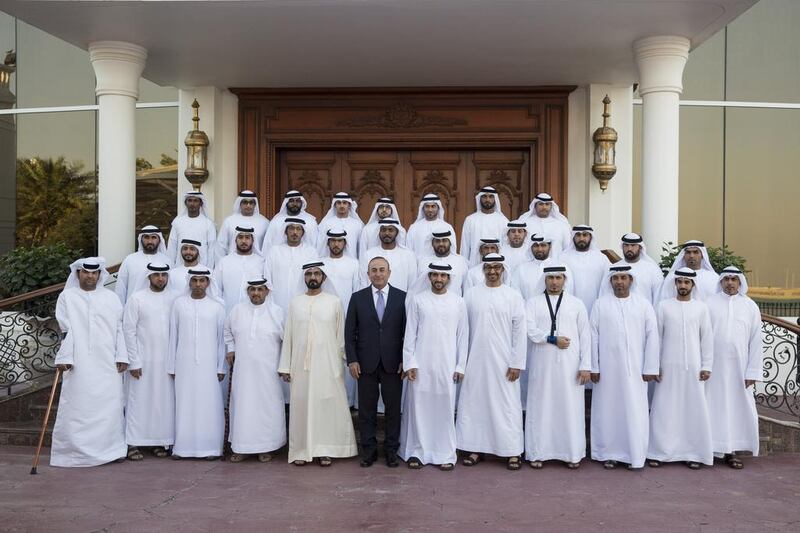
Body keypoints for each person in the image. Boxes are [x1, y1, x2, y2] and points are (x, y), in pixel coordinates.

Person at [279, 262, 358, 466]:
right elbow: (289, 335)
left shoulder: (334, 302)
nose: (313, 276)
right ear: (304, 278)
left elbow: (341, 336)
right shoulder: (295, 303)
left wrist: (341, 363)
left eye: (317, 273)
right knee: (302, 406)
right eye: (309, 274)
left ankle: (325, 449)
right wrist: (285, 366)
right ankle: (302, 450)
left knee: (327, 406)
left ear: (324, 277)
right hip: (300, 366)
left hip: (328, 364)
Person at [51, 258, 128, 467]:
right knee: (77, 404)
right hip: (79, 360)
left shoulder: (111, 298)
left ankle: (111, 450)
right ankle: (73, 453)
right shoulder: (67, 297)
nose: (90, 276)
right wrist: (65, 358)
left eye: (94, 273)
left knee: (109, 405)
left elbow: (119, 328)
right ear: (78, 274)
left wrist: (122, 355)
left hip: (107, 361)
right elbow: (66, 330)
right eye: (86, 272)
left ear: (100, 275)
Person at [457, 253, 526, 470]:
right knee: (475, 404)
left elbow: (519, 332)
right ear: (483, 269)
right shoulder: (470, 295)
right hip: (475, 360)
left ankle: (512, 451)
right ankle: (475, 448)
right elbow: (461, 330)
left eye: (497, 267)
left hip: (505, 363)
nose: (493, 271)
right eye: (489, 267)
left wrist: (517, 362)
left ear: (503, 269)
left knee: (507, 405)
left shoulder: (513, 296)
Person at [589, 265, 660, 470]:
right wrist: (594, 366)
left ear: (631, 281)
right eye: (616, 278)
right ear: (610, 281)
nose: (619, 281)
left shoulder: (643, 305)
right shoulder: (600, 305)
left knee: (634, 411)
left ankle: (634, 454)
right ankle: (608, 453)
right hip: (607, 372)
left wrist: (650, 367)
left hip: (636, 371)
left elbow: (652, 337)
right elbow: (593, 338)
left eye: (623, 278)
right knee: (608, 411)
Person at [400, 262, 469, 471]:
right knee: (419, 408)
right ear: (429, 277)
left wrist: (460, 366)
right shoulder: (418, 300)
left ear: (448, 278)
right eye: (435, 275)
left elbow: (463, 337)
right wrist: (410, 362)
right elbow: (410, 334)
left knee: (444, 409)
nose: (439, 279)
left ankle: (445, 453)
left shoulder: (458, 302)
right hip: (421, 365)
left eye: (443, 275)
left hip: (447, 365)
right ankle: (417, 452)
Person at [524, 265, 591, 469]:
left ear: (565, 279)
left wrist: (586, 365)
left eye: (558, 278)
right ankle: (538, 452)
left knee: (569, 407)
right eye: (551, 278)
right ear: (544, 280)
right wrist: (552, 339)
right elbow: (530, 330)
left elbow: (585, 336)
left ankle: (571, 453)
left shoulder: (576, 304)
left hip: (570, 366)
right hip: (542, 364)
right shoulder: (533, 303)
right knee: (541, 405)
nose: (554, 282)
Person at [648, 268, 714, 469]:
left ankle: (693, 453)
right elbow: (655, 338)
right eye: (680, 282)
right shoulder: (663, 306)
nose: (683, 285)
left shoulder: (701, 308)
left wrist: (707, 365)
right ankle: (659, 452)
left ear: (693, 285)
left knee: (693, 409)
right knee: (664, 408)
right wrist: (654, 365)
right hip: (667, 367)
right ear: (675, 284)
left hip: (694, 368)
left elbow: (707, 339)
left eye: (687, 282)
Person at [345, 256, 407, 468]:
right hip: (365, 364)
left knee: (392, 409)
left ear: (389, 273)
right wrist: (352, 360)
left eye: (382, 270)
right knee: (366, 410)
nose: (378, 274)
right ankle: (368, 452)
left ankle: (391, 451)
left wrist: (404, 360)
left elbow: (406, 333)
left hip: (393, 364)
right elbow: (349, 332)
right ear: (368, 273)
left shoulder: (402, 298)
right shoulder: (357, 298)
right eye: (374, 270)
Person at [705, 266, 763, 469]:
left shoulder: (750, 306)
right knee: (712, 405)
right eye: (726, 279)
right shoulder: (709, 304)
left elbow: (756, 341)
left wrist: (753, 371)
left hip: (740, 368)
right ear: (721, 281)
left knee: (737, 408)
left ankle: (733, 451)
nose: (730, 283)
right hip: (713, 367)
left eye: (734, 279)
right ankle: (709, 449)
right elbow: (702, 336)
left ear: (740, 282)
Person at [224, 278, 286, 463]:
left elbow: (288, 341)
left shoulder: (277, 312)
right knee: (243, 406)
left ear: (267, 291)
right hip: (243, 372)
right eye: (252, 289)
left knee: (268, 408)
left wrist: (284, 365)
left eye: (260, 289)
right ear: (248, 291)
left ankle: (267, 447)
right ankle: (241, 447)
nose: (256, 293)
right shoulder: (237, 311)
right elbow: (227, 332)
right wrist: (231, 349)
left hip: (269, 372)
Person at [167, 267, 227, 460]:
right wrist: (172, 365)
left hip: (209, 365)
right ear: (189, 282)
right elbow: (173, 337)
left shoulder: (217, 306)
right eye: (195, 280)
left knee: (209, 404)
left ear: (208, 283)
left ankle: (211, 448)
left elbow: (221, 341)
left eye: (202, 281)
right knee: (185, 402)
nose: (199, 284)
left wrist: (220, 366)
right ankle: (182, 448)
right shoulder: (178, 304)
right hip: (183, 363)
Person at [122, 262, 179, 461]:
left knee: (162, 403)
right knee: (138, 401)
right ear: (149, 277)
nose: (160, 279)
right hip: (142, 361)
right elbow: (128, 331)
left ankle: (158, 441)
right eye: (156, 275)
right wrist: (133, 361)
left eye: (164, 275)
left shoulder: (175, 299)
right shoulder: (136, 299)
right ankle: (133, 443)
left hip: (166, 362)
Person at [322, 227, 361, 406]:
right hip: (324, 319)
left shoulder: (354, 264)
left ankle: (349, 400)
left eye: (339, 241)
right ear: (328, 242)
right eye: (333, 240)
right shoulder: (320, 263)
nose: (336, 244)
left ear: (345, 243)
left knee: (347, 356)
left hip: (348, 318)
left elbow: (357, 292)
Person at [263, 217, 317, 312]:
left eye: (298, 229)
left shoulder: (311, 252)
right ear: (285, 231)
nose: (295, 232)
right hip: (276, 303)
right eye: (291, 228)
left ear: (303, 233)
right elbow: (267, 278)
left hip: (303, 304)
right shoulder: (274, 251)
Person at [560, 225, 611, 315]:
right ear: (573, 237)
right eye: (578, 235)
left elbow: (607, 284)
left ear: (590, 237)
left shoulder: (601, 258)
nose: (581, 238)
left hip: (595, 305)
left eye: (585, 235)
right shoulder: (563, 258)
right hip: (570, 306)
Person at [213, 226, 264, 314]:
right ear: (235, 240)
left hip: (255, 314)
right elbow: (216, 289)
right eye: (240, 237)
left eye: (247, 237)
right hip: (228, 312)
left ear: (253, 241)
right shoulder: (224, 262)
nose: (244, 241)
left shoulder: (261, 262)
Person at [115, 225, 170, 304]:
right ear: (141, 239)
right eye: (146, 237)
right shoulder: (130, 260)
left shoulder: (167, 261)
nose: (150, 241)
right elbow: (121, 288)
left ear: (159, 239)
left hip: (160, 308)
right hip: (133, 308)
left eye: (153, 237)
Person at [360, 219, 417, 292]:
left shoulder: (408, 255)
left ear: (397, 233)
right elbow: (363, 281)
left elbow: (412, 283)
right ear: (379, 232)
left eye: (391, 230)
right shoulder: (368, 254)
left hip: (401, 301)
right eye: (383, 230)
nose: (387, 233)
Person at [215, 190, 270, 263]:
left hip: (257, 264)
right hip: (233, 263)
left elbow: (268, 246)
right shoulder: (229, 221)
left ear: (255, 205)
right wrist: (221, 264)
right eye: (245, 202)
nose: (248, 205)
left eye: (251, 203)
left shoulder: (264, 222)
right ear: (239, 204)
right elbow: (221, 246)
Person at [166, 191, 217, 267]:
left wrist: (208, 269)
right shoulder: (178, 222)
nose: (192, 204)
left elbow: (212, 249)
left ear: (201, 204)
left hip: (202, 267)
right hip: (180, 267)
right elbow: (172, 247)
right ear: (185, 203)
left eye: (195, 201)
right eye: (189, 200)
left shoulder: (208, 224)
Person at [460, 186, 509, 266]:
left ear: (495, 199)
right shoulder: (470, 220)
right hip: (474, 265)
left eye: (490, 197)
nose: (487, 200)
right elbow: (465, 247)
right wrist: (464, 266)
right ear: (480, 198)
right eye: (484, 196)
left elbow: (505, 248)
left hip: (497, 267)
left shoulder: (503, 221)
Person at [414, 227, 469, 296]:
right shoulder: (422, 261)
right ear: (432, 243)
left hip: (454, 305)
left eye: (444, 240)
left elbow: (466, 288)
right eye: (437, 241)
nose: (441, 244)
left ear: (450, 242)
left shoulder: (461, 261)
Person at [510, 233, 559, 301]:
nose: (539, 249)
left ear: (550, 247)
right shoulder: (521, 269)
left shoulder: (560, 267)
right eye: (536, 245)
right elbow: (515, 294)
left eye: (543, 245)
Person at [618, 232, 663, 304]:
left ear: (640, 247)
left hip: (644, 313)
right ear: (622, 247)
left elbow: (658, 297)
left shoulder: (652, 269)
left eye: (633, 245)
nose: (629, 248)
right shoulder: (614, 268)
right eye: (626, 245)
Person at [316, 192, 364, 259]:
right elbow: (321, 246)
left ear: (349, 205)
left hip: (352, 263)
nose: (341, 206)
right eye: (339, 203)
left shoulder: (357, 224)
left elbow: (361, 248)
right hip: (330, 263)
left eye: (344, 203)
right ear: (335, 205)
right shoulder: (326, 223)